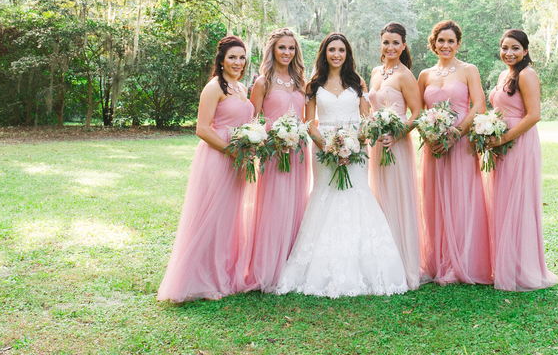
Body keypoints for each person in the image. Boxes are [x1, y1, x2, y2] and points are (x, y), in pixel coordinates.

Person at [274, 33, 408, 298]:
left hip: (356, 148)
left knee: (355, 196)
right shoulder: (314, 84)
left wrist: (355, 143)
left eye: (342, 50)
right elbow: (309, 122)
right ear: (324, 53)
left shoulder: (356, 81)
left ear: (348, 54)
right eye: (332, 50)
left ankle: (365, 267)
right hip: (323, 149)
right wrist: (328, 146)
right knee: (326, 196)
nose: (337, 55)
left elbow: (366, 119)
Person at [157, 36, 256, 302]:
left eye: (242, 57)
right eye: (232, 57)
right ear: (222, 60)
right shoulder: (214, 87)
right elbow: (201, 128)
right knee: (210, 218)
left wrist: (248, 145)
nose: (238, 62)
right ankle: (200, 280)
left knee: (228, 219)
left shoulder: (242, 88)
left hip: (237, 161)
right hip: (217, 158)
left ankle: (221, 274)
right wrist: (229, 150)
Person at [418, 20, 493, 285]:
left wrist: (456, 134)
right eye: (441, 41)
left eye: (451, 41)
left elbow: (479, 106)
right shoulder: (425, 75)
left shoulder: (468, 70)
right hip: (433, 146)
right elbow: (418, 112)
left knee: (462, 198)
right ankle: (437, 261)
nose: (446, 45)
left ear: (458, 44)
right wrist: (428, 135)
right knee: (434, 199)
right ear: (433, 43)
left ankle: (461, 261)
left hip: (461, 144)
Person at [487, 29, 558, 291]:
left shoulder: (527, 74)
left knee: (518, 201)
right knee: (504, 201)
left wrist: (504, 138)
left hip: (519, 142)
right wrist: (488, 129)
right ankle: (506, 263)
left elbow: (534, 115)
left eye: (515, 48)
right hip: (500, 142)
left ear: (526, 51)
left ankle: (522, 268)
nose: (509, 52)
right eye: (505, 47)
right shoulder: (504, 75)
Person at [248, 28, 312, 292]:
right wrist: (267, 139)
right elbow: (252, 120)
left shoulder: (301, 82)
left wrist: (298, 135)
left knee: (297, 202)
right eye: (282, 48)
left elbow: (308, 118)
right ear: (272, 50)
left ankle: (291, 266)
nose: (287, 53)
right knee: (274, 204)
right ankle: (268, 268)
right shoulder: (263, 81)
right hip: (272, 149)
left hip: (298, 150)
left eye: (291, 48)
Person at [367, 22, 424, 290]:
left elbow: (417, 112)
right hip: (377, 144)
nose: (390, 47)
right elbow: (371, 108)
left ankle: (403, 264)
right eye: (386, 42)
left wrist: (398, 134)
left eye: (395, 43)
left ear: (403, 46)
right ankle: (381, 261)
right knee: (378, 198)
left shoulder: (405, 75)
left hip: (397, 144)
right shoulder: (375, 72)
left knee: (397, 197)